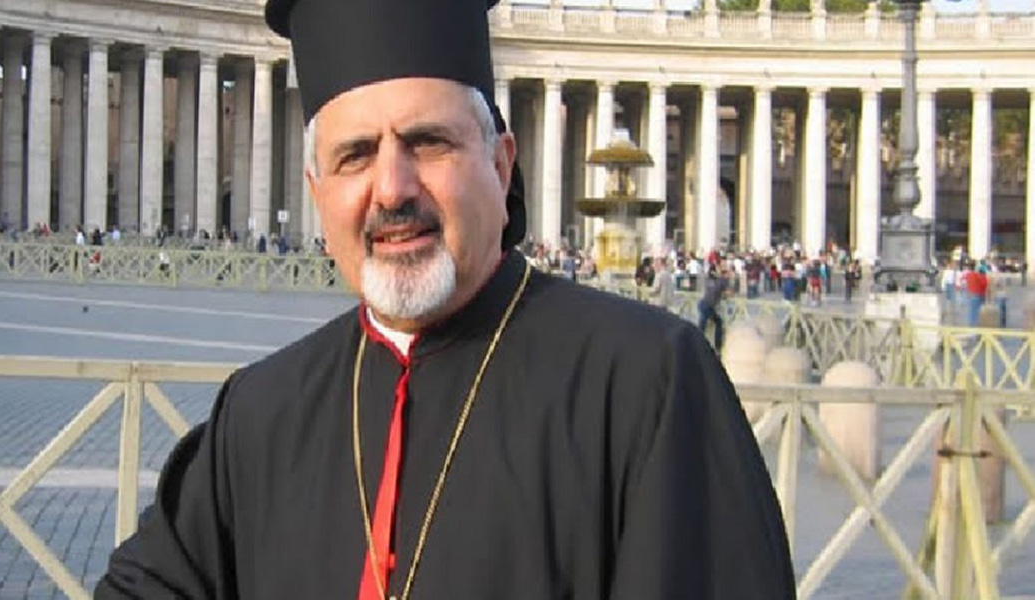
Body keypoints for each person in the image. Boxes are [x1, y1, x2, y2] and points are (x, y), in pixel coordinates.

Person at [96, 1, 794, 598]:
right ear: (318, 194)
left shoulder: (650, 384)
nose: (392, 189)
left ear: (501, 165)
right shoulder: (259, 411)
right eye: (355, 155)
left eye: (427, 143)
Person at [697, 266, 732, 352]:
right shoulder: (722, 281)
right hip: (709, 306)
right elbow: (729, 293)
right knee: (718, 322)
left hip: (702, 304)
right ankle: (717, 346)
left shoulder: (708, 279)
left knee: (702, 322)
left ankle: (698, 341)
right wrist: (724, 294)